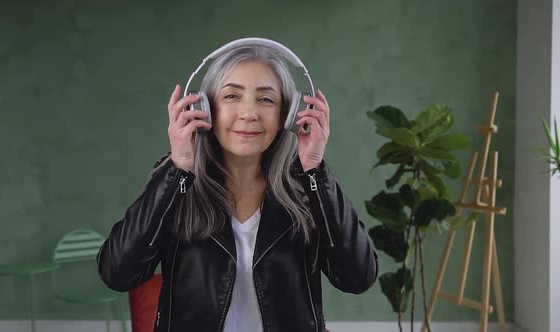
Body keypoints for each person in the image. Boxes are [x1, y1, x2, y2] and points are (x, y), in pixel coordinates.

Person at [97, 40, 378, 332]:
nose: (249, 113)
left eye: (266, 99)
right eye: (232, 96)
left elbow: (357, 278)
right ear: (203, 109)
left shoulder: (306, 188)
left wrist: (315, 170)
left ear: (289, 115)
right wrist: (178, 168)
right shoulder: (176, 183)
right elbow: (118, 273)